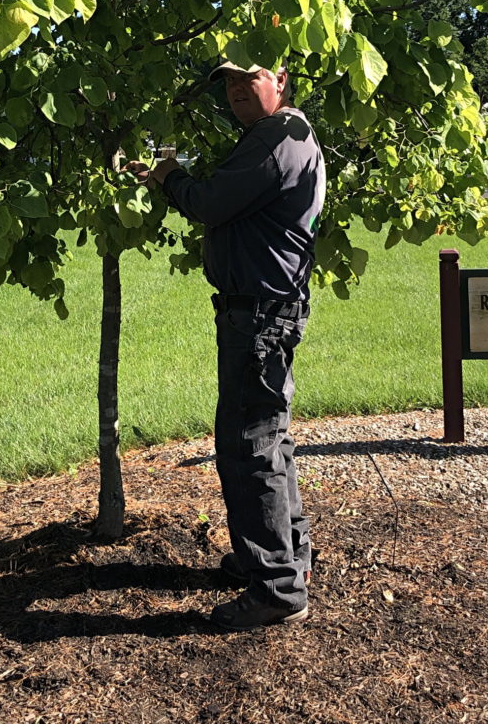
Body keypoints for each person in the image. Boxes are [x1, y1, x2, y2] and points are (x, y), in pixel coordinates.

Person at [123, 62, 326, 631]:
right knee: (270, 439)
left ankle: (275, 588)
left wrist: (168, 177)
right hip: (269, 310)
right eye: (229, 84)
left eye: (249, 78)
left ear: (281, 79)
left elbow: (211, 202)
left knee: (248, 446)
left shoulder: (274, 138)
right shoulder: (290, 136)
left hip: (258, 315)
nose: (237, 90)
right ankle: (284, 558)